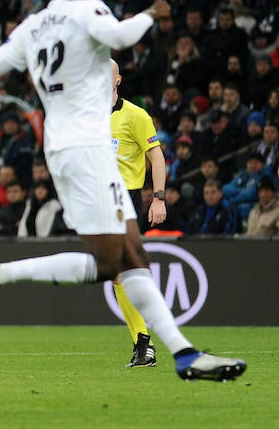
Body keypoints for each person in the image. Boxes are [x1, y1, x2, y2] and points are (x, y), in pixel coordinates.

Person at [0, 0, 245, 381]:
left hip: (64, 149)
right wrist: (151, 14)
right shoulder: (89, 9)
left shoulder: (32, 26)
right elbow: (119, 35)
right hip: (87, 149)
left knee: (133, 257)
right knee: (110, 264)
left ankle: (183, 353)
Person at [110, 59, 167, 368]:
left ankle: (144, 344)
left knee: (120, 270)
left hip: (126, 198)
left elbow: (156, 156)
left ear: (118, 79)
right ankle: (143, 344)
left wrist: (158, 198)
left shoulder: (134, 115)